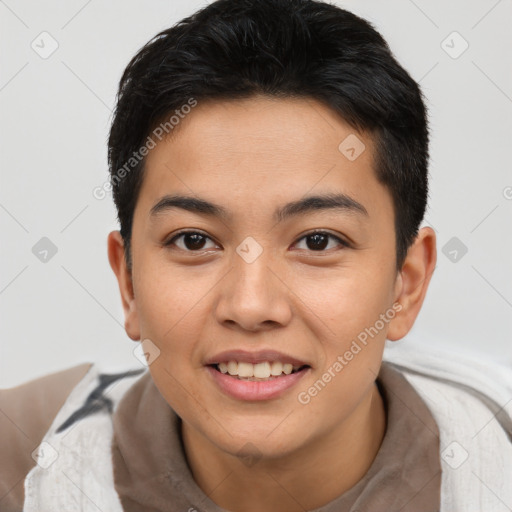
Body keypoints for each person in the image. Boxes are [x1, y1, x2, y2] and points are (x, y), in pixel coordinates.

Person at [1, 0, 511, 510]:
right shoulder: (21, 458)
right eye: (194, 240)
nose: (250, 306)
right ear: (128, 281)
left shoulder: (494, 461)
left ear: (406, 283)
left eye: (318, 241)